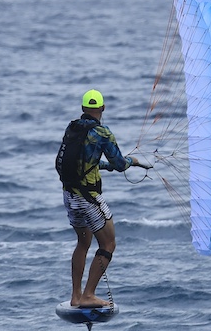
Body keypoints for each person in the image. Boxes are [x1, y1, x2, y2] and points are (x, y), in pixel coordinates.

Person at [56, 89, 150, 308]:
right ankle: (89, 295)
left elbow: (83, 162)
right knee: (108, 242)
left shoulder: (72, 128)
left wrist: (104, 166)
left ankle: (76, 296)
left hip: (69, 196)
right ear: (103, 108)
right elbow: (120, 163)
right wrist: (132, 161)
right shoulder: (102, 132)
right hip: (88, 198)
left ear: (82, 109)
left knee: (83, 242)